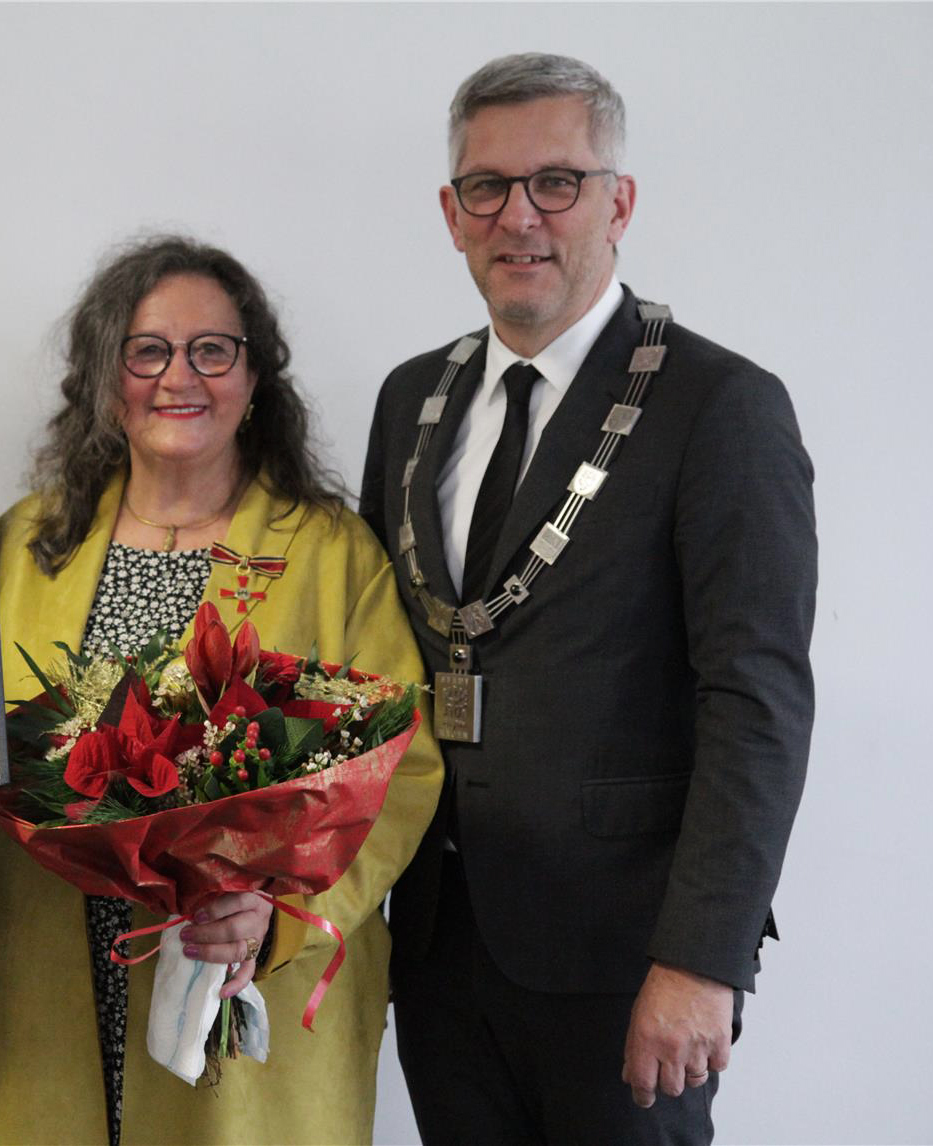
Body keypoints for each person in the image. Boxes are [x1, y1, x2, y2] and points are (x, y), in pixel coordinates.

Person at [361, 53, 816, 1143]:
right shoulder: (409, 398)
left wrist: (702, 960)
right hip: (435, 947)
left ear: (618, 202)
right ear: (451, 213)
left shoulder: (721, 406)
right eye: (488, 187)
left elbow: (754, 702)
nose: (520, 216)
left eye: (556, 181)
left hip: (627, 958)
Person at [0, 235, 441, 1145]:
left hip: (239, 969)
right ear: (103, 376)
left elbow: (404, 772)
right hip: (36, 967)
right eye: (146, 350)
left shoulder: (331, 553)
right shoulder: (21, 547)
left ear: (253, 377)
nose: (178, 377)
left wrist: (286, 916)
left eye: (213, 350)